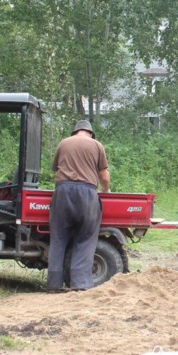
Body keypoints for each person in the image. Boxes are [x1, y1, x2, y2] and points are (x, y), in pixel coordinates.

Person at [47, 119, 111, 292]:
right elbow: (104, 175)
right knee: (85, 238)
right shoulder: (97, 145)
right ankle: (80, 283)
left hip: (63, 192)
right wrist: (105, 191)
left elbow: (55, 169)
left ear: (75, 132)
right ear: (90, 133)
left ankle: (53, 283)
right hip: (87, 194)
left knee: (59, 237)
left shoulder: (63, 143)